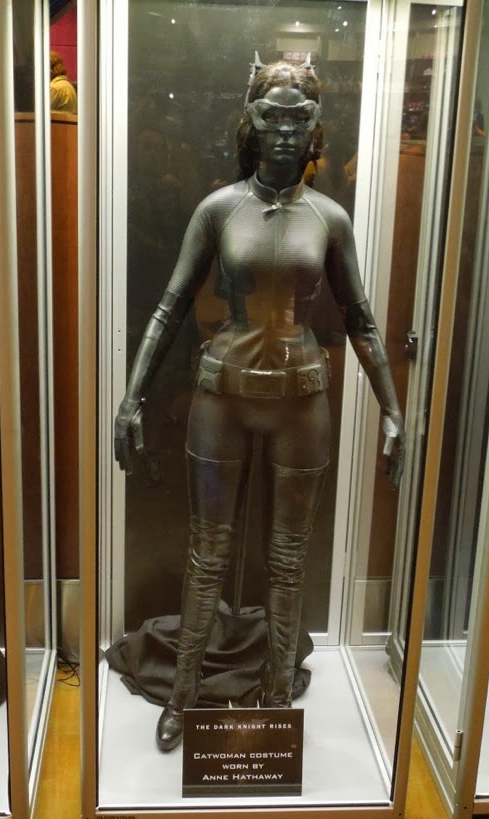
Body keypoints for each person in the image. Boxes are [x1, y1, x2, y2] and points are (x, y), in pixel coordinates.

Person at [114, 56, 405, 752]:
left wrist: (394, 409)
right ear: (251, 119)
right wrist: (132, 397)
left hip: (302, 401)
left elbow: (361, 320)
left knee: (288, 555)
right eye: (272, 115)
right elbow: (170, 306)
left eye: (299, 118)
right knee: (208, 551)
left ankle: (274, 701)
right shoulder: (220, 208)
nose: (285, 130)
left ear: (316, 127)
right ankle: (184, 694)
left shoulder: (329, 218)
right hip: (223, 396)